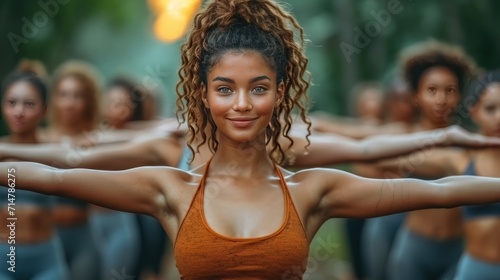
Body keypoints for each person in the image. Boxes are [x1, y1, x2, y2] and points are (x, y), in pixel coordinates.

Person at [2, 1, 500, 278]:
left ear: (280, 92)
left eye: (257, 88)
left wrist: (460, 139)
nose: (241, 103)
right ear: (203, 94)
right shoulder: (169, 186)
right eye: (225, 89)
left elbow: (445, 189)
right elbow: (57, 174)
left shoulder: (311, 189)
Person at [372, 70, 500, 280]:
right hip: (467, 266)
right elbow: (378, 154)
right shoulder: (460, 158)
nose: (499, 117)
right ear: (474, 111)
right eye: (490, 108)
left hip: (454, 254)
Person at [0, 72, 69, 280]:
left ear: (45, 110)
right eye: (11, 103)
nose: (18, 111)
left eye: (29, 104)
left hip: (45, 260)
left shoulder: (57, 152)